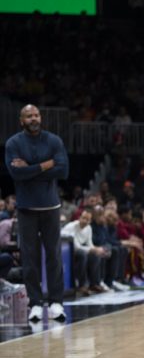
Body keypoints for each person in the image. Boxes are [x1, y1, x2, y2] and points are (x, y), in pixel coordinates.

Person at [5, 104, 70, 322]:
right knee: (29, 258)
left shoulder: (54, 140)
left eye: (36, 115)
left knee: (54, 256)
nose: (33, 118)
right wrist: (46, 165)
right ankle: (34, 304)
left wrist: (30, 168)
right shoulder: (13, 143)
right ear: (21, 120)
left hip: (51, 207)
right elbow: (16, 174)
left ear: (40, 117)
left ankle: (56, 303)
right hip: (26, 208)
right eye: (28, 116)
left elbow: (63, 170)